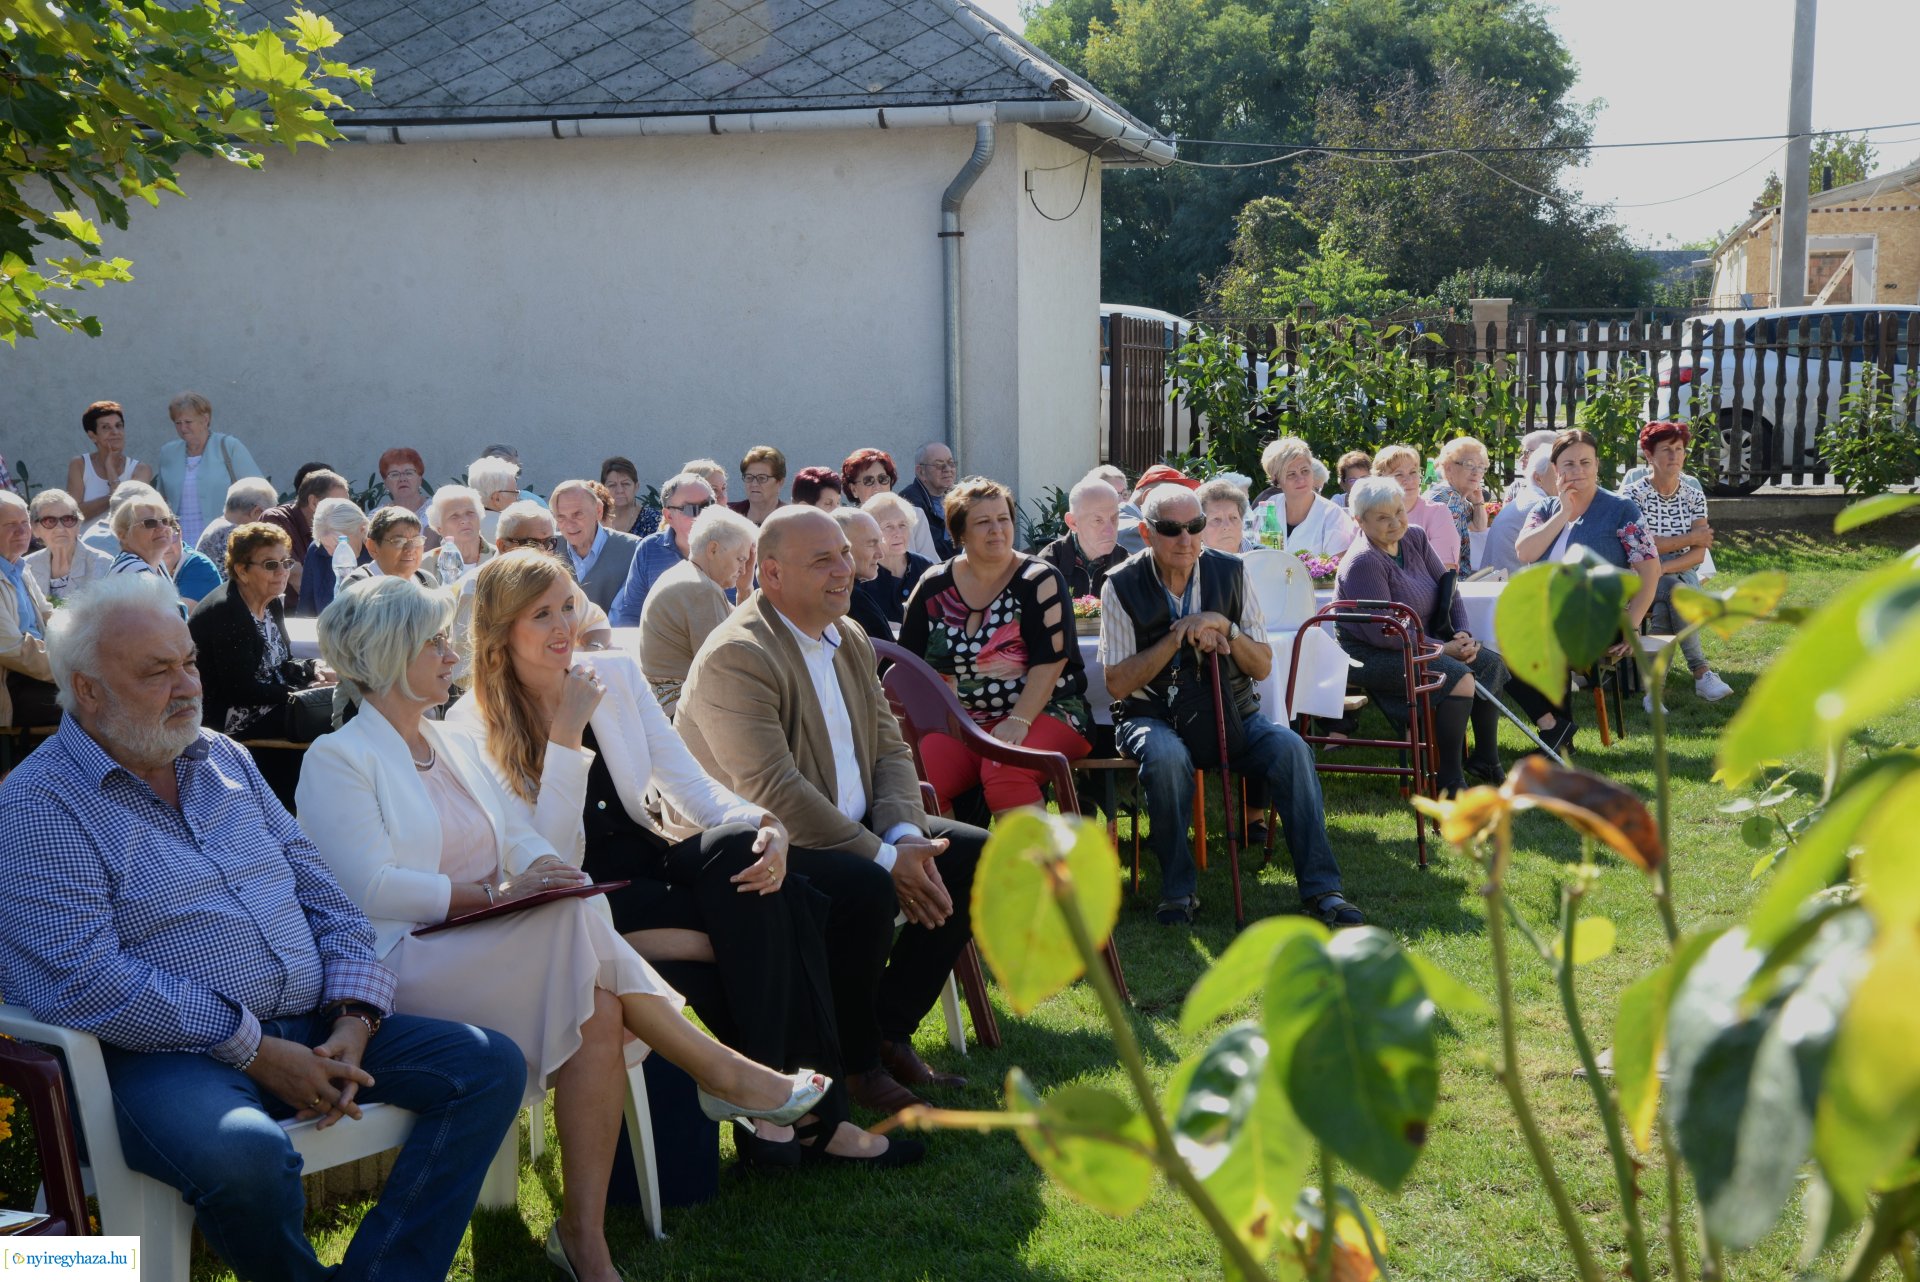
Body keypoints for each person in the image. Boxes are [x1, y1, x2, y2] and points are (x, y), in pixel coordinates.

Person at [297, 577, 829, 1279]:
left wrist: (543, 868)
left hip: (486, 944)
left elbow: (526, 841)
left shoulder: (447, 743)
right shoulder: (338, 757)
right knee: (579, 925)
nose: (451, 654)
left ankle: (584, 1237)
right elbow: (370, 887)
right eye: (434, 642)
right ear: (389, 656)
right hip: (404, 963)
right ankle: (722, 1072)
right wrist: (498, 891)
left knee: (596, 994)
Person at [0, 574, 527, 1282]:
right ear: (87, 690)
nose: (188, 685)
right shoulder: (37, 805)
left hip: (314, 1025)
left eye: (189, 662)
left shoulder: (223, 759)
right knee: (244, 1156)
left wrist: (355, 1015)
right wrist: (252, 1049)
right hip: (161, 1059)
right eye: (157, 672)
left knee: (487, 1065)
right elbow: (85, 980)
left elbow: (327, 897)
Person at [447, 552, 917, 1170]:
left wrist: (766, 824)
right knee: (780, 913)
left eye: (568, 606)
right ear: (501, 630)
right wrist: (565, 736)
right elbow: (547, 859)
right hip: (580, 897)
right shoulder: (469, 723)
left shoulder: (611, 673)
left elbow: (687, 782)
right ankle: (815, 1122)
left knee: (745, 854)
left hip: (650, 863)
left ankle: (774, 1112)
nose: (564, 626)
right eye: (541, 615)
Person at [677, 506, 983, 1114]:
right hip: (757, 848)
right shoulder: (738, 654)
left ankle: (886, 1031)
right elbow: (773, 792)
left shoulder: (848, 636)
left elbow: (890, 747)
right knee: (866, 885)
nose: (845, 569)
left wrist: (904, 835)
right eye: (823, 560)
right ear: (771, 574)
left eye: (845, 553)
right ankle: (857, 1065)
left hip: (850, 828)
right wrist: (887, 858)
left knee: (974, 854)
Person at [1099, 484, 1362, 929]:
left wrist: (1225, 628)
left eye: (1195, 526)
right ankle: (1178, 892)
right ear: (1146, 533)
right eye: (1171, 529)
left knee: (1292, 749)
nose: (1186, 539)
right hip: (1152, 715)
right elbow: (1118, 684)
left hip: (1231, 712)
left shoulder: (1233, 571)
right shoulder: (1120, 584)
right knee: (1166, 757)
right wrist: (1178, 636)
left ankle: (1323, 890)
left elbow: (1261, 665)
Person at [899, 478, 1091, 816]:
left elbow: (1052, 660)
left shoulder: (1038, 579)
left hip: (1046, 713)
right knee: (913, 780)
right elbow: (907, 665)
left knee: (1005, 771)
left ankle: (1032, 856)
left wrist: (1019, 719)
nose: (997, 530)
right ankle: (953, 851)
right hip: (962, 725)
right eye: (983, 522)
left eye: (1003, 519)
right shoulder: (933, 585)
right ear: (960, 532)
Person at [1335, 478, 1511, 794]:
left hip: (1421, 643)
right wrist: (1444, 649)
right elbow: (1386, 633)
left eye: (1399, 512)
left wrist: (1462, 634)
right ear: (1360, 521)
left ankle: (1486, 760)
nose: (1395, 522)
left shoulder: (1414, 537)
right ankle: (1449, 778)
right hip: (1372, 655)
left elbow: (1448, 589)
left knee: (1490, 663)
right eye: (1383, 517)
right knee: (1458, 677)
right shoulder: (1364, 561)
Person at [1515, 428, 1663, 745]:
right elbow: (1525, 552)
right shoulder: (1545, 509)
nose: (1577, 471)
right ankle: (1554, 730)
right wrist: (1564, 513)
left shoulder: (1620, 509)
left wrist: (1633, 624)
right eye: (1568, 464)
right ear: (1555, 469)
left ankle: (1557, 737)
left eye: (1585, 462)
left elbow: (1650, 571)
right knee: (1491, 645)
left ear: (1597, 465)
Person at [188, 523, 326, 807]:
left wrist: (313, 668)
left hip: (267, 702)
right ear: (241, 570)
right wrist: (299, 694)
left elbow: (280, 661)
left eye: (286, 562)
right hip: (229, 716)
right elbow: (240, 690)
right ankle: (307, 803)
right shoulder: (227, 612)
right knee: (326, 715)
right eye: (270, 564)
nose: (282, 572)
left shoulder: (270, 601)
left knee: (336, 705)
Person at [1622, 421, 1734, 705]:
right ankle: (1701, 671)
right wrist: (1690, 537)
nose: (1674, 455)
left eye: (1679, 449)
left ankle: (1653, 692)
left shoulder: (1693, 494)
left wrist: (1662, 566)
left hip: (1678, 572)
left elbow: (1698, 555)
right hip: (1639, 576)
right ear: (1649, 455)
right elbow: (1641, 546)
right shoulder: (1632, 495)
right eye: (1666, 449)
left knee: (1667, 604)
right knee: (1677, 594)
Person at [639, 506, 754, 716]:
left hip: (665, 705)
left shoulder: (689, 576)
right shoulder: (702, 589)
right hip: (681, 712)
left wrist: (745, 590)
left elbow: (739, 632)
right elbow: (727, 665)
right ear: (713, 549)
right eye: (740, 559)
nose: (744, 570)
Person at [153, 392, 263, 548]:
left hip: (225, 542)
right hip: (180, 545)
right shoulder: (168, 453)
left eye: (188, 422)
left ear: (205, 419)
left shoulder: (229, 446)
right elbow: (161, 500)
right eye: (178, 423)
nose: (183, 428)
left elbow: (260, 492)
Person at [609, 472, 714, 626]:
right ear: (669, 516)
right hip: (664, 641)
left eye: (708, 506)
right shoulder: (649, 549)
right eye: (690, 509)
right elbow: (631, 615)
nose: (701, 515)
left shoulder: (735, 545)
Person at [0, 491, 58, 727]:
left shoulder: (19, 567)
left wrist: (83, 641)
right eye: (10, 525)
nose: (22, 531)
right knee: (92, 704)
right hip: (12, 685)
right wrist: (68, 667)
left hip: (39, 673)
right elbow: (12, 649)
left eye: (24, 522)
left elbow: (48, 614)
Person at [1249, 437, 1358, 556]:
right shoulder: (1266, 510)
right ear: (1276, 480)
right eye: (1291, 474)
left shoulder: (1333, 517)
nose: (1301, 479)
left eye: (1305, 471)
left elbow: (1337, 565)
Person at [551, 479, 641, 612]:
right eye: (561, 517)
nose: (570, 525)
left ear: (598, 511)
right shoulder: (549, 547)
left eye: (578, 514)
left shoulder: (633, 549)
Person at [262, 468, 349, 607]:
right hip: (286, 613)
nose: (344, 513)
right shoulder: (276, 519)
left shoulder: (334, 527)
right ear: (314, 502)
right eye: (338, 506)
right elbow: (294, 574)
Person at [1037, 473, 1127, 598]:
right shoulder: (1047, 566)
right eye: (1098, 521)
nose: (1110, 531)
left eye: (1114, 519)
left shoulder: (1127, 565)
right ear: (1073, 522)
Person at [1372, 445, 1459, 570]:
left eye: (1413, 472)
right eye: (1399, 474)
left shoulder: (1437, 513)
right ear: (1380, 479)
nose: (1409, 480)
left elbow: (1445, 570)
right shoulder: (1370, 517)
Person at [66, 400, 153, 523]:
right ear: (92, 436)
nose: (115, 432)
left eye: (118, 425)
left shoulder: (141, 470)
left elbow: (131, 513)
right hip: (85, 535)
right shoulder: (80, 464)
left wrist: (110, 469)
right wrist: (113, 497)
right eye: (106, 427)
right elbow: (74, 514)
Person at [24, 489, 112, 601]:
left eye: (68, 519)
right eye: (49, 521)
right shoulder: (27, 567)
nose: (60, 528)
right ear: (35, 529)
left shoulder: (103, 565)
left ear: (78, 524)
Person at [1425, 437, 1494, 575]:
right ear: (1448, 468)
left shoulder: (1456, 496)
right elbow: (1448, 555)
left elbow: (1478, 527)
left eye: (1481, 467)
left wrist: (1478, 502)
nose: (1476, 472)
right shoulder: (1448, 498)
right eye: (1469, 465)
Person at [1485, 445, 1557, 575]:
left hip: (1496, 579)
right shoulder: (1541, 505)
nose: (1565, 478)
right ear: (1538, 478)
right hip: (1509, 583)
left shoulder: (1527, 497)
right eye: (1557, 474)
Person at [862, 492, 933, 621]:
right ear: (872, 532)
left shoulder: (925, 567)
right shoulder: (864, 574)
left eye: (902, 525)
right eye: (888, 526)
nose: (898, 533)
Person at [298, 497, 369, 618]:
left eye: (338, 546)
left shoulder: (380, 552)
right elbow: (305, 611)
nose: (332, 554)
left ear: (362, 530)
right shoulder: (316, 551)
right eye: (326, 546)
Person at [834, 506, 896, 642]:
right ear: (843, 549)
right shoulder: (850, 599)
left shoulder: (846, 594)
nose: (880, 554)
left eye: (880, 541)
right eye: (871, 544)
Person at [341, 506, 439, 589]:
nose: (410, 549)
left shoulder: (425, 580)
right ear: (373, 547)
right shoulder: (358, 584)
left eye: (416, 540)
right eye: (398, 541)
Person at [194, 476, 277, 573]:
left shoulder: (219, 526)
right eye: (268, 516)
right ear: (256, 512)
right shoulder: (236, 536)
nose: (268, 524)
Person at [1115, 463, 1198, 557]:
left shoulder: (1122, 516)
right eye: (1175, 499)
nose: (1183, 506)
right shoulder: (1136, 529)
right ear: (1148, 497)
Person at [898, 442, 957, 560]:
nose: (948, 469)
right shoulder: (909, 500)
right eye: (939, 465)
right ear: (921, 471)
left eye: (951, 463)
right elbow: (934, 547)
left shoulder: (957, 495)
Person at [428, 483, 494, 587]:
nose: (465, 520)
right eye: (454, 516)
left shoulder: (501, 559)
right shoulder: (425, 565)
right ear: (440, 529)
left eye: (470, 513)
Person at [378, 448, 439, 551]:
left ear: (420, 479)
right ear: (386, 483)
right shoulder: (377, 517)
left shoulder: (437, 510)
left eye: (409, 473)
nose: (402, 479)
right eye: (394, 474)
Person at [601, 456, 659, 537]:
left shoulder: (652, 519)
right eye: (612, 485)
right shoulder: (594, 520)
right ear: (603, 489)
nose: (619, 490)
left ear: (636, 487)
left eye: (625, 484)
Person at [467, 455, 521, 541]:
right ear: (497, 498)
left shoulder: (460, 524)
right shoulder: (510, 529)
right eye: (514, 493)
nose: (517, 498)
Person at [1197, 477, 1255, 555]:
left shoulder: (1267, 558)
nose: (1227, 526)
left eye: (1233, 518)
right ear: (1199, 528)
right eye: (1216, 519)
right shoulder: (1192, 561)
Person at [731, 446, 787, 525]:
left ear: (780, 482)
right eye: (749, 477)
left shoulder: (790, 520)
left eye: (762, 478)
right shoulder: (730, 514)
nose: (754, 484)